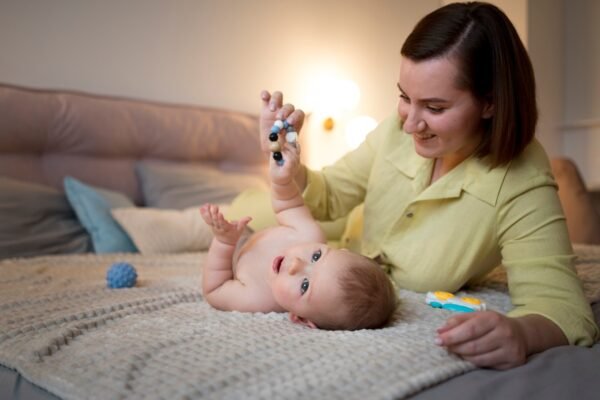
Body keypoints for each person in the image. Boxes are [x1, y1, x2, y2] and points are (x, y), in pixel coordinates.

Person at [258, 1, 599, 369]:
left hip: (330, 243)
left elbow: (563, 309)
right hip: (333, 234)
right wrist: (286, 162)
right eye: (405, 97)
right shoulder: (396, 127)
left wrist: (522, 333)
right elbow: (329, 197)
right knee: (251, 213)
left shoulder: (521, 177)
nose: (407, 125)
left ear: (491, 103)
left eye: (434, 108)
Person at [200, 130, 397, 330]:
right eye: (317, 256)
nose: (296, 263)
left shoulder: (258, 299)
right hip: (249, 230)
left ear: (300, 318)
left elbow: (215, 289)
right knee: (240, 209)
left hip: (228, 252)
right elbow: (289, 205)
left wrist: (224, 242)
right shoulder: (309, 236)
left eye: (304, 285)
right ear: (338, 251)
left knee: (215, 225)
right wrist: (282, 181)